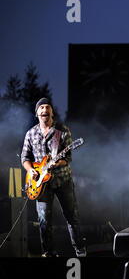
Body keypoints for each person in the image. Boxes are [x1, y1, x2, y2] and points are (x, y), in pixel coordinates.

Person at [21, 98, 86, 257]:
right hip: (40, 184)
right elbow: (24, 157)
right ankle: (49, 253)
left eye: (47, 107)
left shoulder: (62, 131)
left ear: (51, 112)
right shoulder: (30, 133)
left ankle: (80, 251)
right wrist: (31, 171)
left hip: (62, 180)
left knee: (72, 216)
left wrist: (57, 163)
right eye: (41, 107)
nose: (44, 109)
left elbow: (68, 158)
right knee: (44, 221)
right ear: (37, 113)